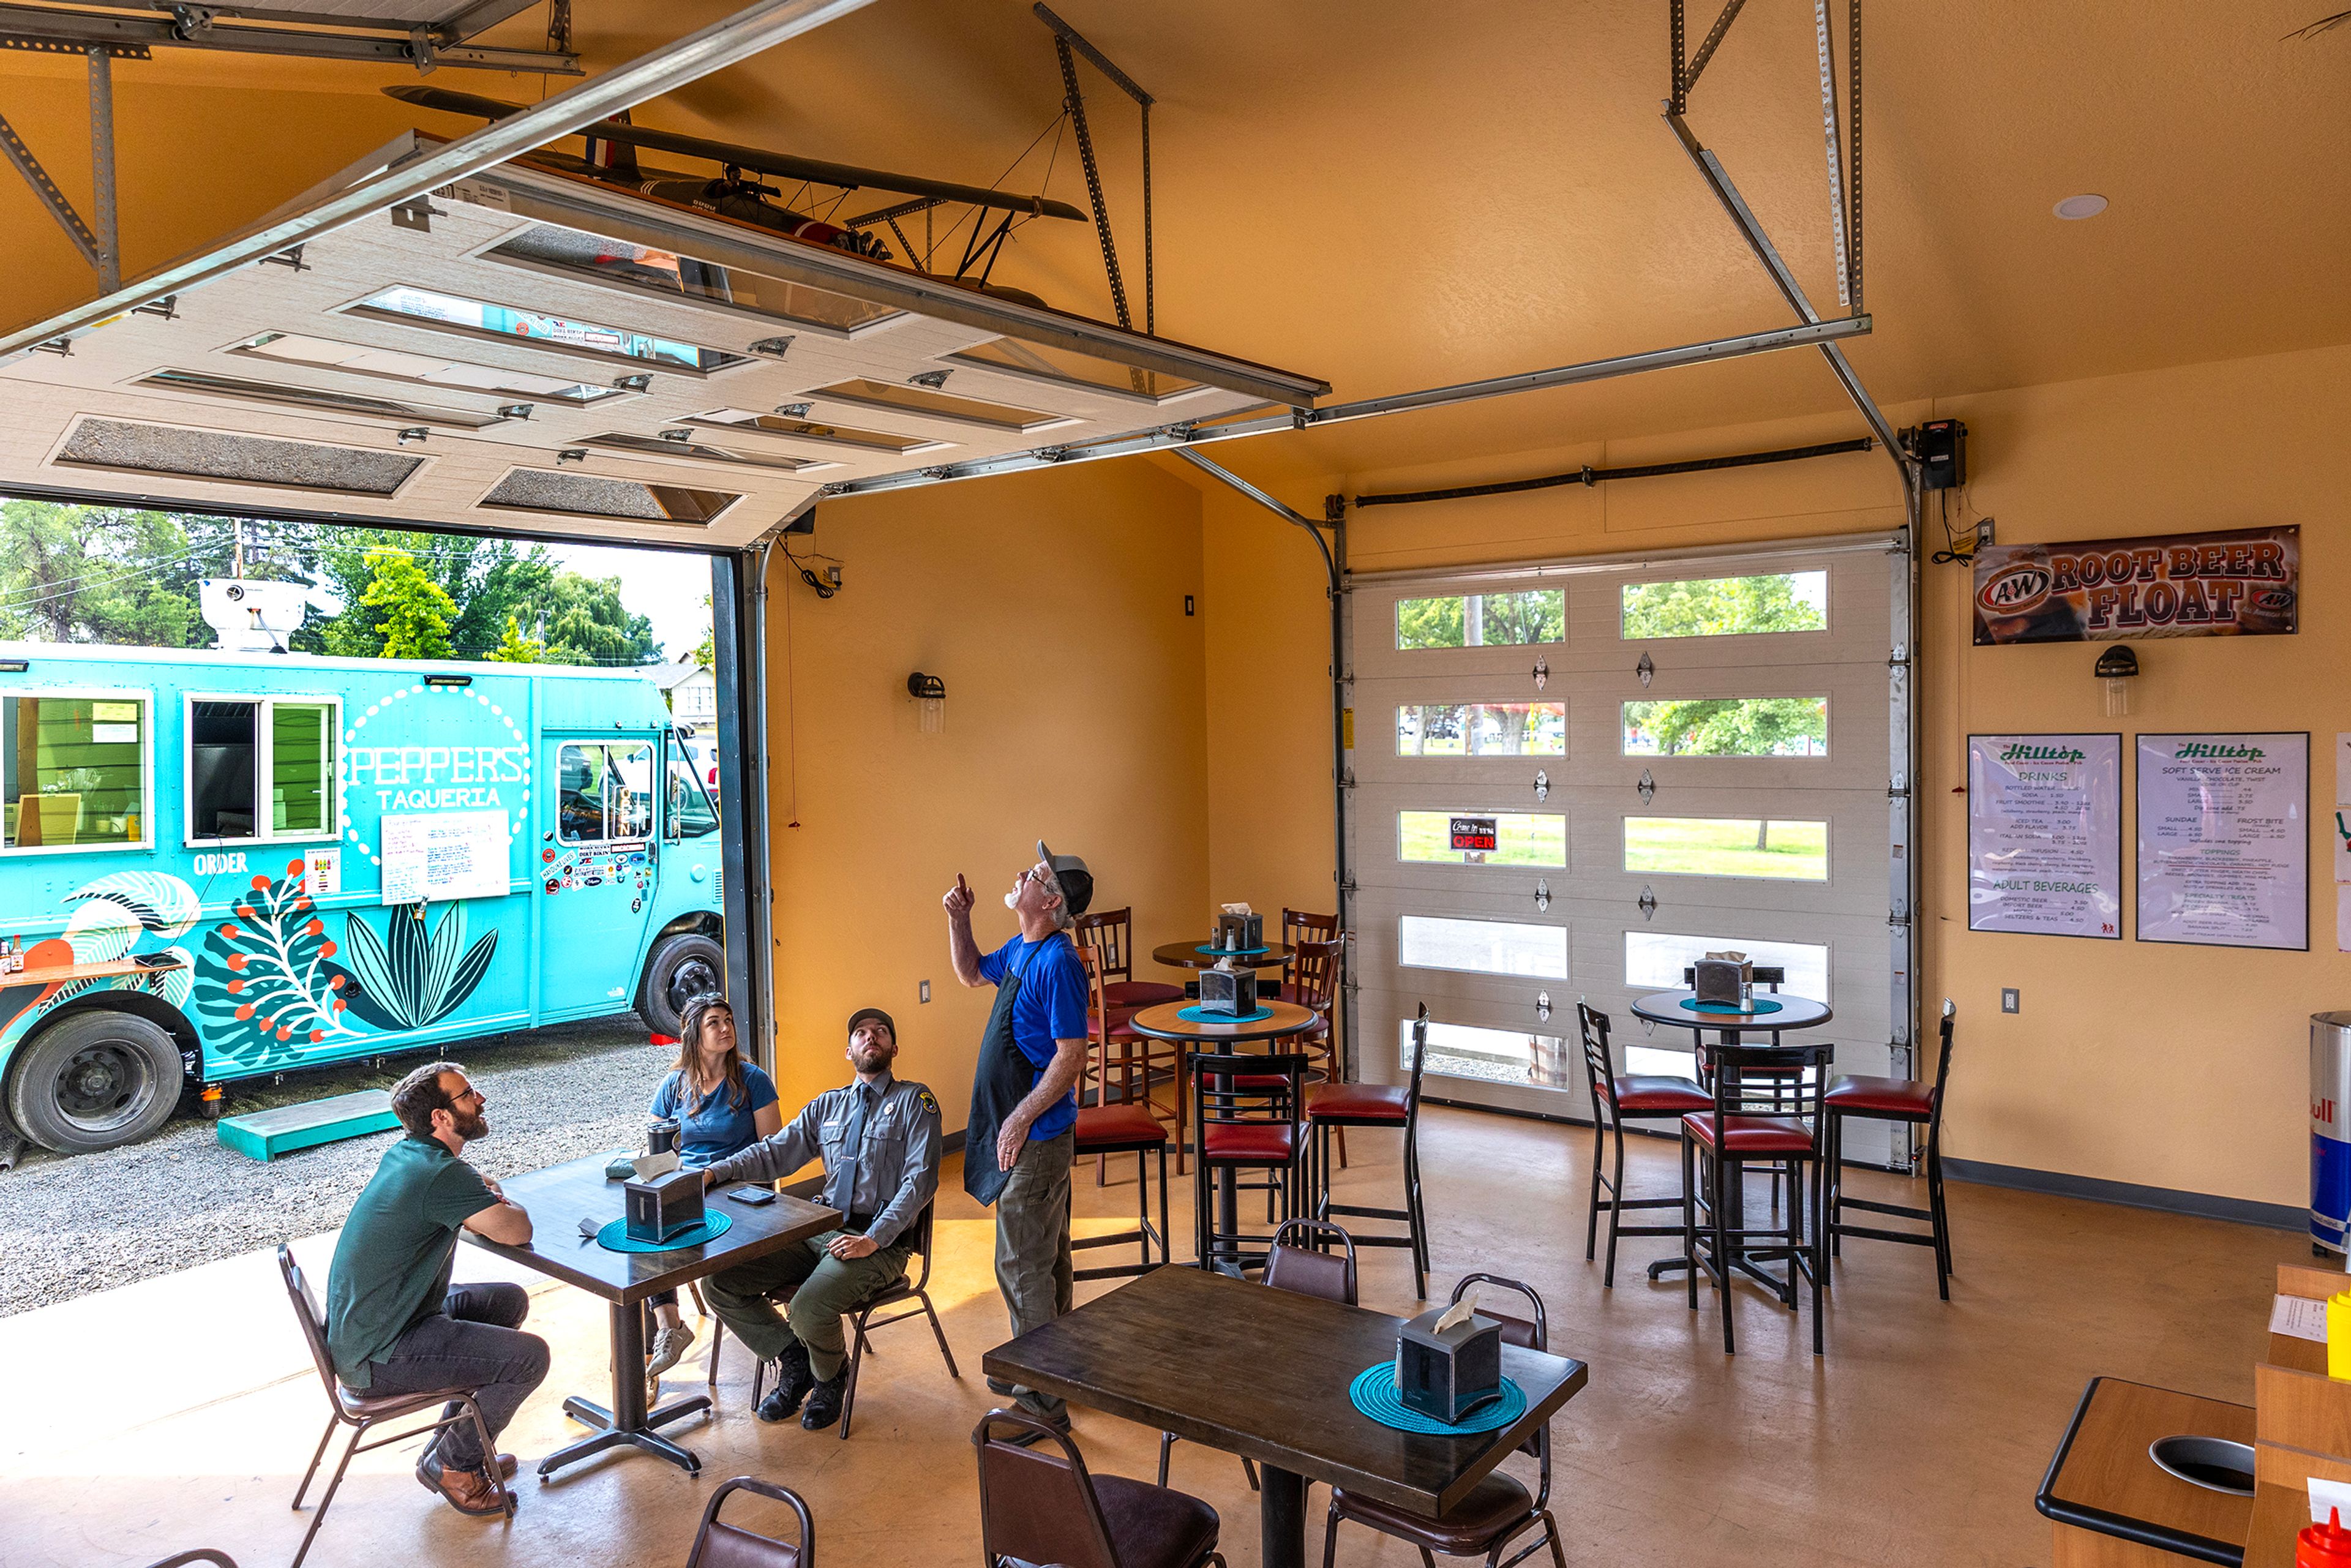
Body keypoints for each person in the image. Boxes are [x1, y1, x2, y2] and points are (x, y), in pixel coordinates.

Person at [697, 1006, 943, 1430]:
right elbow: (775, 1151)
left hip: (876, 1242)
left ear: (894, 1047)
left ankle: (831, 1377)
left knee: (809, 1307)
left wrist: (875, 1239)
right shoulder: (827, 1106)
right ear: (848, 1051)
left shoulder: (914, 1102)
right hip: (820, 1230)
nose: (871, 1037)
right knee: (720, 1282)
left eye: (881, 1032)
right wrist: (717, 1170)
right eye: (861, 1033)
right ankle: (794, 1357)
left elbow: (920, 1181)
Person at [324, 1060, 547, 1518]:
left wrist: (478, 1190)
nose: (480, 1099)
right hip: (380, 1352)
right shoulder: (442, 1175)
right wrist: (500, 1200)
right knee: (530, 1356)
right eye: (468, 1094)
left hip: (380, 1324)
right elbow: (516, 1229)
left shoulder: (410, 1155)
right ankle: (455, 1464)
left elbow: (466, 1191)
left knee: (509, 1300)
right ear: (441, 1118)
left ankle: (450, 1447)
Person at [944, 839, 1093, 1438]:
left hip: (1036, 1139)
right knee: (1048, 1256)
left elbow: (1071, 1056)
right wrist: (959, 919)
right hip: (1030, 1134)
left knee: (1022, 1264)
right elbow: (970, 970)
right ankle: (1053, 1366)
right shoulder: (1023, 949)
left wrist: (1020, 1117)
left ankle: (1040, 1402)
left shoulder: (1059, 962)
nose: (1019, 876)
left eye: (1031, 875)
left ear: (1051, 900)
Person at [641, 994, 782, 1390]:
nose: (725, 1029)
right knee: (640, 1247)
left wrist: (716, 1174)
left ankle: (663, 1338)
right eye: (714, 1023)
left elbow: (774, 1149)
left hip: (737, 1193)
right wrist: (666, 1171)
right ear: (693, 1035)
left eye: (728, 1020)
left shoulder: (753, 1080)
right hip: (689, 1189)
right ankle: (666, 1331)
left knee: (657, 1242)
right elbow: (655, 1146)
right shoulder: (674, 1085)